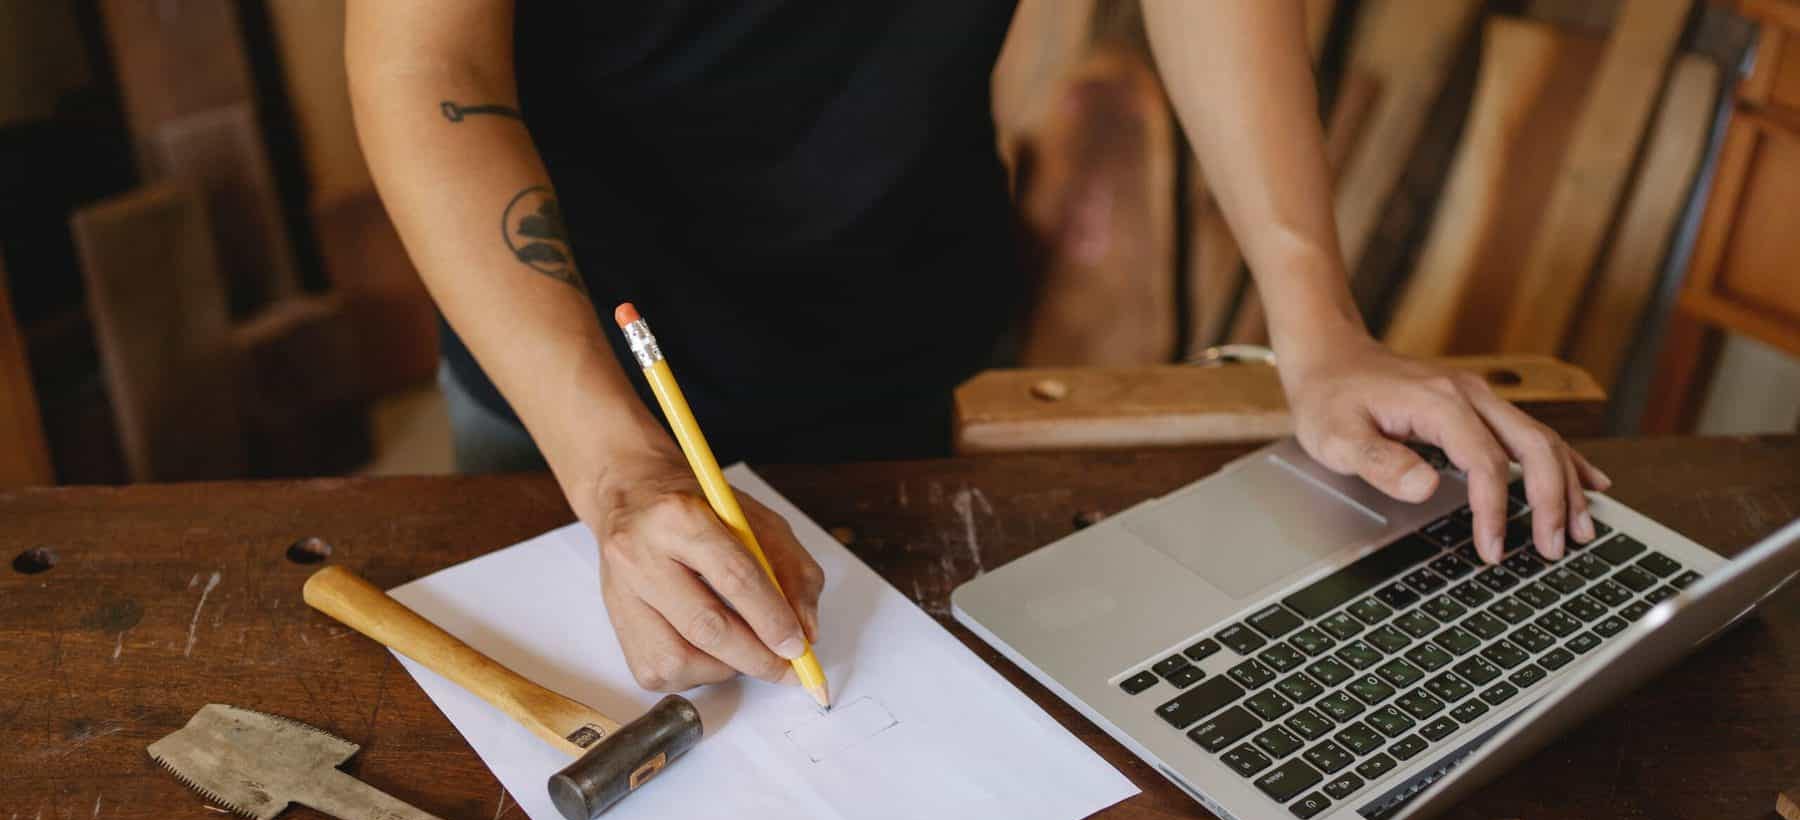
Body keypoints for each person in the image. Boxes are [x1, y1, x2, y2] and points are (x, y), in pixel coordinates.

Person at [347, 1, 1610, 697]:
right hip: (570, 363)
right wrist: (615, 469)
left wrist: (1319, 326)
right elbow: (424, 61)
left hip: (902, 312)